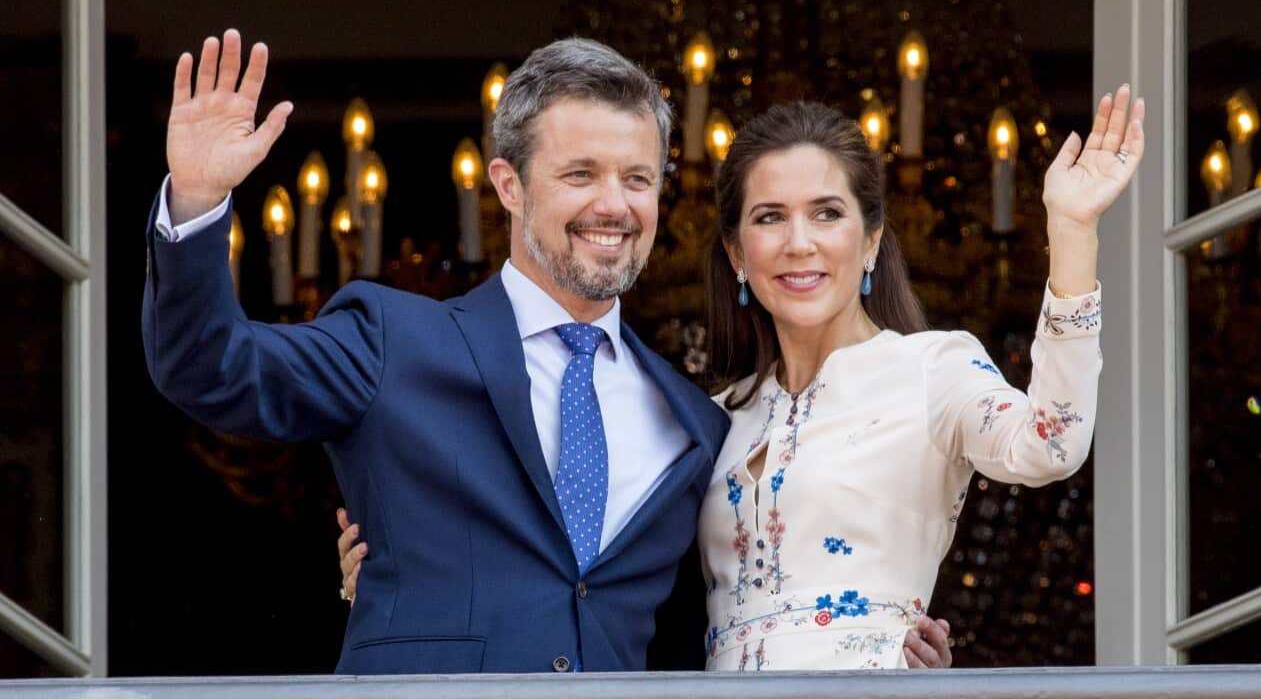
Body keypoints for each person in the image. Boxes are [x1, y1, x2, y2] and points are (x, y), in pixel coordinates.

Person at [143, 28, 957, 673]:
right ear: (508, 185)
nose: (615, 205)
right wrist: (199, 201)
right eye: (581, 174)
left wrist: (884, 657)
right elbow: (210, 369)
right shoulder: (394, 339)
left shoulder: (694, 423)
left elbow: (707, 634)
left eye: (639, 179)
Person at [341, 92, 1144, 669]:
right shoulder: (711, 418)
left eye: (828, 214)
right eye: (769, 218)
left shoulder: (931, 368)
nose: (800, 243)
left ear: (871, 243)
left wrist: (1071, 236)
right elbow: (597, 570)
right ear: (735, 254)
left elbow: (1053, 442)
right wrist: (412, 559)